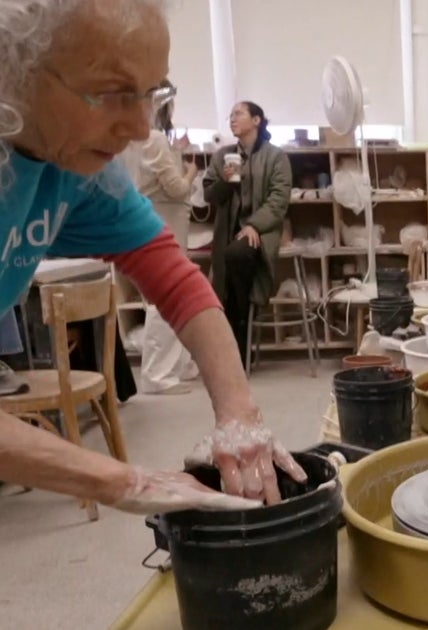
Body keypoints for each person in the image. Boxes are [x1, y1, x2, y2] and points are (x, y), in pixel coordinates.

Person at [0, 0, 304, 514]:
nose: (142, 128)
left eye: (151, 92)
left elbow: (175, 280)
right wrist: (125, 481)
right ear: (14, 68)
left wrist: (239, 413)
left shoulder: (72, 167)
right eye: (113, 93)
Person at [119, 78, 199, 394]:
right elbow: (177, 187)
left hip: (150, 217)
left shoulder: (132, 140)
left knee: (164, 294)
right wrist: (191, 169)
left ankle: (176, 366)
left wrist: (174, 153)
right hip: (165, 221)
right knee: (166, 296)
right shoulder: (153, 139)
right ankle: (158, 374)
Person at [202, 101, 291, 364]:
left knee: (236, 256)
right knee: (230, 259)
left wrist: (254, 225)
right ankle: (237, 343)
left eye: (238, 114)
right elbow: (209, 195)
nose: (232, 119)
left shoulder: (276, 157)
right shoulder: (222, 156)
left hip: (261, 232)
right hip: (228, 232)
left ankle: (238, 337)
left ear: (257, 120)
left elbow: (279, 199)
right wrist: (226, 182)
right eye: (230, 115)